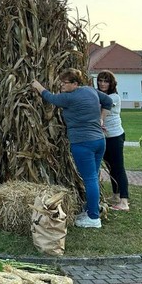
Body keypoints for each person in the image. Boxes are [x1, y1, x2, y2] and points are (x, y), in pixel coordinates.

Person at [32, 69, 113, 229]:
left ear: (75, 84)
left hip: (83, 144)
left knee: (90, 179)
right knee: (93, 178)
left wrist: (38, 86)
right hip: (99, 141)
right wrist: (101, 120)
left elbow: (50, 97)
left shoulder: (69, 98)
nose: (61, 85)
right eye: (61, 81)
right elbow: (108, 102)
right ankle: (92, 210)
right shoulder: (90, 90)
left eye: (65, 83)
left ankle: (93, 218)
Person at [96, 71, 129, 211]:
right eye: (100, 81)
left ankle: (124, 201)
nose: (103, 84)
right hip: (104, 137)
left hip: (115, 136)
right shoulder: (96, 95)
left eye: (106, 81)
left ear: (111, 83)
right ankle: (116, 195)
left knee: (119, 167)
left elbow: (105, 103)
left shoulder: (114, 97)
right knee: (110, 167)